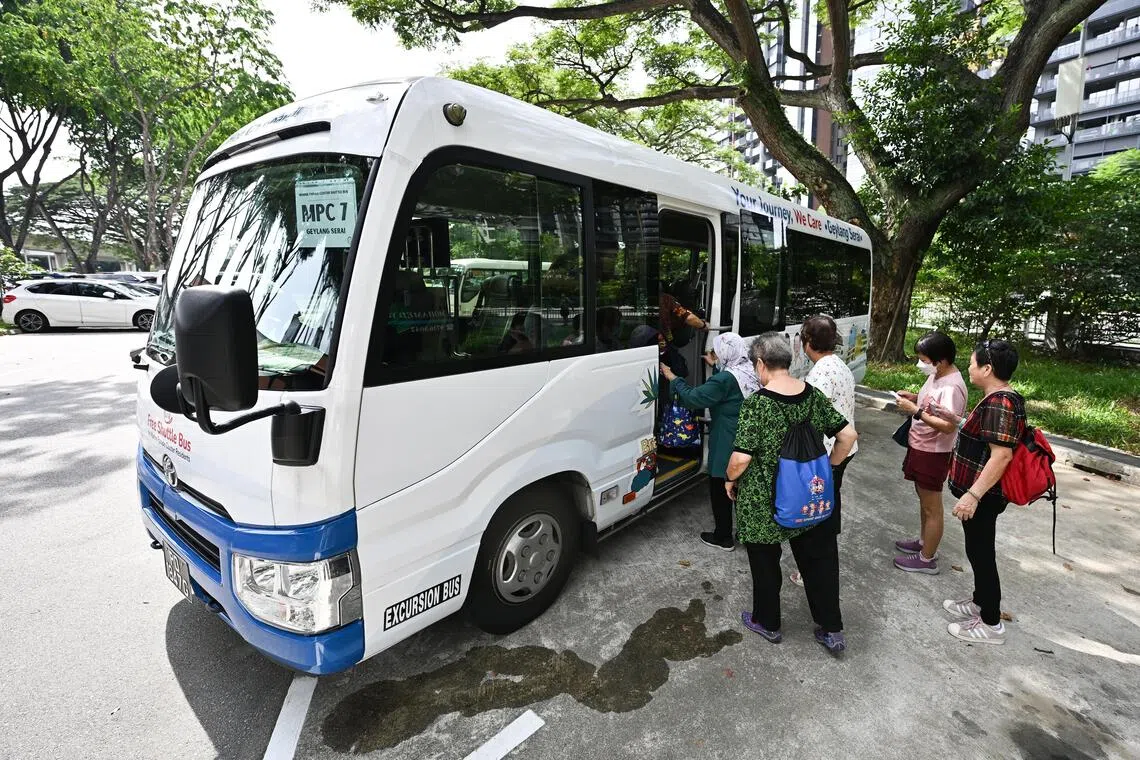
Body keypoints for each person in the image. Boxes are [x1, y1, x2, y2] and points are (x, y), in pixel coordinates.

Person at [726, 333, 858, 655]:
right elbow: (848, 435)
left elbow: (741, 459)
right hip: (808, 499)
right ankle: (831, 629)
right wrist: (831, 469)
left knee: (765, 563)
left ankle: (767, 623)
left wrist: (729, 479)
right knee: (819, 562)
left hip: (763, 503)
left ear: (760, 364)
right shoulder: (812, 395)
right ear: (787, 360)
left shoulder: (757, 404)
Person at [932, 340, 1026, 645]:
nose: (969, 368)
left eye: (973, 363)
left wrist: (972, 495)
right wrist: (949, 416)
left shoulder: (1000, 403)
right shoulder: (997, 398)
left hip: (985, 495)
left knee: (982, 554)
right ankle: (980, 602)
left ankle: (990, 623)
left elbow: (1001, 456)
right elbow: (981, 434)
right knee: (976, 550)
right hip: (982, 493)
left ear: (987, 369)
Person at [661, 333, 759, 552]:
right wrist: (716, 365)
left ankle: (723, 537)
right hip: (745, 434)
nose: (713, 354)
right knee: (742, 486)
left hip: (727, 437)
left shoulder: (725, 379)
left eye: (716, 351)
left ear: (726, 353)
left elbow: (695, 397)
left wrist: (673, 379)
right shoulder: (748, 369)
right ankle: (746, 533)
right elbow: (727, 387)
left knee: (721, 485)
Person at [788, 316, 857, 586]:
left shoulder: (821, 372)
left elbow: (811, 415)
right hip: (844, 449)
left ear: (807, 342)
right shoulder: (838, 365)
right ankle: (818, 562)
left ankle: (813, 570)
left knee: (815, 514)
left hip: (828, 454)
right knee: (828, 506)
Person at [892, 332, 968, 575]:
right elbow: (933, 405)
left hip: (934, 452)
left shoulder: (953, 386)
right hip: (920, 445)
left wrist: (915, 411)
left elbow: (948, 425)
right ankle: (925, 543)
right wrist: (914, 398)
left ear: (941, 360)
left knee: (931, 506)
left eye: (924, 359)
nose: (921, 364)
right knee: (923, 501)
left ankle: (927, 559)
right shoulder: (938, 375)